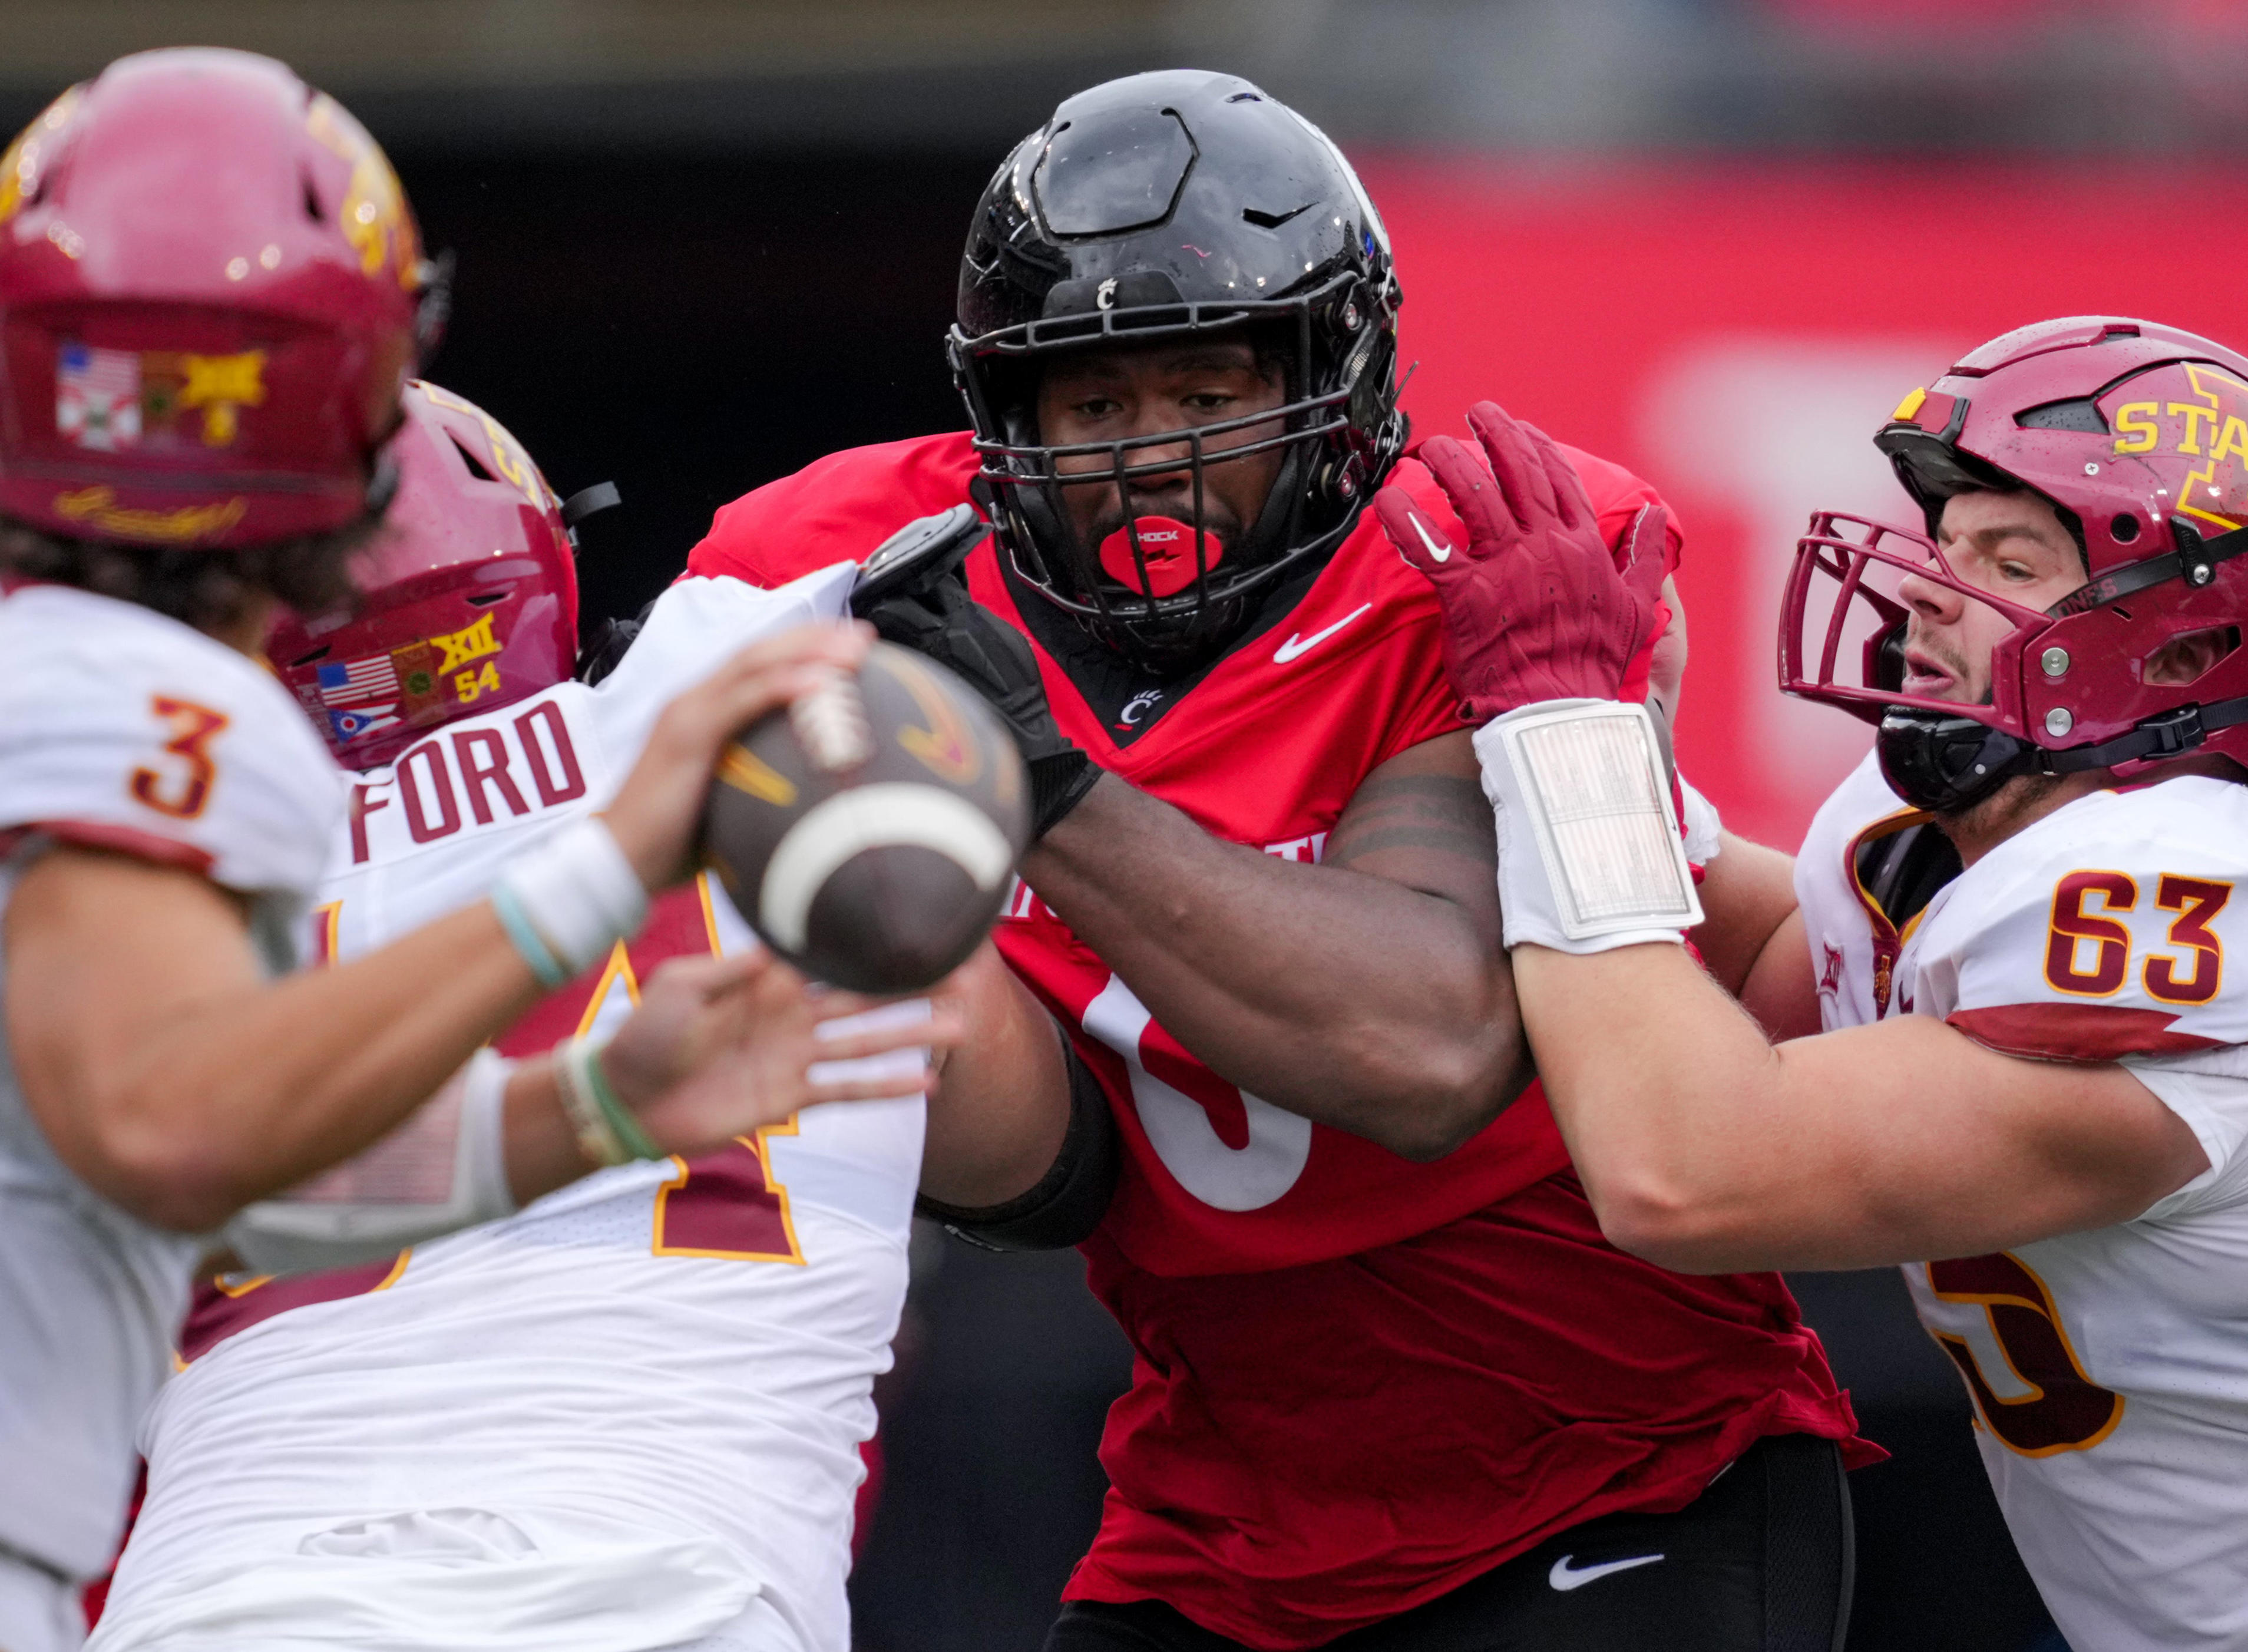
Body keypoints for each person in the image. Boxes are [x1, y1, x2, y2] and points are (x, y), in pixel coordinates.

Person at [689, 68, 1870, 1652]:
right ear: (1004, 419)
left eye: (1203, 395)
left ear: (1336, 378)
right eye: (1093, 406)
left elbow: (1420, 1044)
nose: (1150, 458)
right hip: (1218, 1513)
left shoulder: (1483, 564)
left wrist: (1026, 783)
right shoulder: (847, 567)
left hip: (1610, 1475)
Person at [1379, 319, 2248, 1650]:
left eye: (2009, 564)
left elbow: (1682, 1161)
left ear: (2185, 660)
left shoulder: (2187, 901)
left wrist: (1567, 735)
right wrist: (1627, 756)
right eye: (1949, 546)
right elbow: (1735, 1003)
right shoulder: (1949, 835)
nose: (1928, 594)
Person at [0, 52, 853, 1649]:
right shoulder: (133, 703)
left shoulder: (77, 676)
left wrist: (583, 1105)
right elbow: (177, 1126)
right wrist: (602, 863)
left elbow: (222, 1177)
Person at [87, 378, 1067, 1652]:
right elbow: (1044, 1158)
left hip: (224, 1608)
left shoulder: (144, 888)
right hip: (669, 1594)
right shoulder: (750, 662)